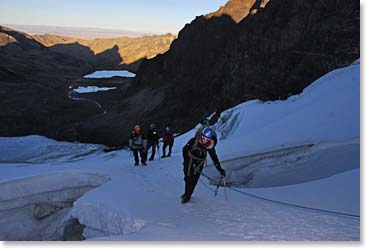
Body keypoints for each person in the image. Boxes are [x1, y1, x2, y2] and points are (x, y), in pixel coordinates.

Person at [181, 127, 225, 204]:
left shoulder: (209, 146)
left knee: (195, 180)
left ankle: (189, 194)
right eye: (203, 137)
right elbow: (184, 150)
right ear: (201, 135)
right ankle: (187, 195)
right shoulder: (193, 141)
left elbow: (214, 158)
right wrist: (187, 160)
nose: (204, 140)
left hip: (199, 163)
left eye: (206, 139)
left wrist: (220, 169)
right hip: (189, 160)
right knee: (188, 178)